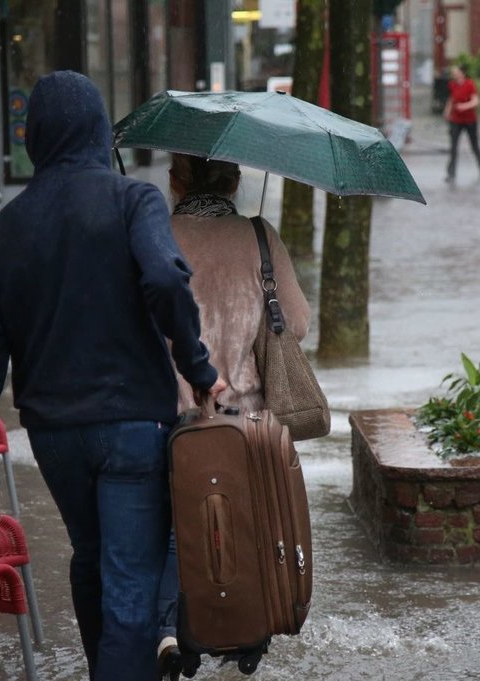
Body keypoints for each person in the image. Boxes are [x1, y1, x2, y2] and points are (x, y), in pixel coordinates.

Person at [0, 71, 226, 681]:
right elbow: (164, 280)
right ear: (101, 132)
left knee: (93, 559)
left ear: (34, 137)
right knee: (130, 581)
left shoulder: (4, 228)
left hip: (52, 434)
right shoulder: (135, 200)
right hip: (132, 425)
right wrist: (197, 367)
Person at [153, 153, 311, 680]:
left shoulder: (155, 233)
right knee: (245, 525)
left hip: (170, 420)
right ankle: (246, 632)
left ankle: (178, 635)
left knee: (177, 531)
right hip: (246, 423)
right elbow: (299, 324)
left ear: (175, 182)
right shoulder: (260, 235)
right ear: (236, 181)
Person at [443, 63, 480, 183]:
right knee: (453, 147)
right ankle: (451, 173)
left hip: (470, 120)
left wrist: (464, 106)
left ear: (462, 73)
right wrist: (447, 111)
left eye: (456, 71)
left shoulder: (469, 84)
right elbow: (452, 98)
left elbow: (476, 100)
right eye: (453, 72)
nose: (454, 73)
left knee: (474, 145)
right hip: (456, 120)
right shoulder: (452, 85)